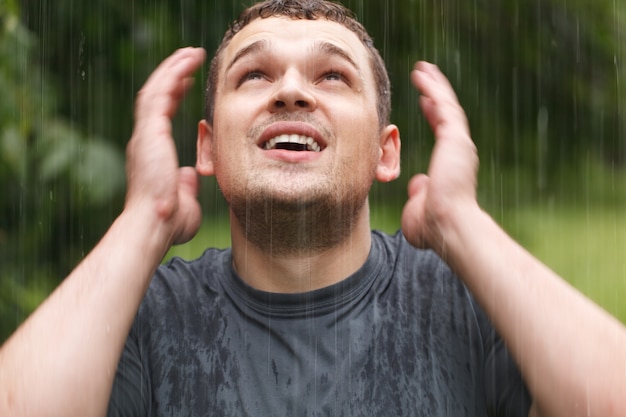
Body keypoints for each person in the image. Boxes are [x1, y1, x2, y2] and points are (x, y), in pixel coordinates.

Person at [1, 0, 625, 416]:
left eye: (332, 77)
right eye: (254, 76)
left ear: (387, 154)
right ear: (208, 148)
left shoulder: (469, 303)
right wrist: (145, 221)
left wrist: (463, 224)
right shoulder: (139, 316)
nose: (292, 91)